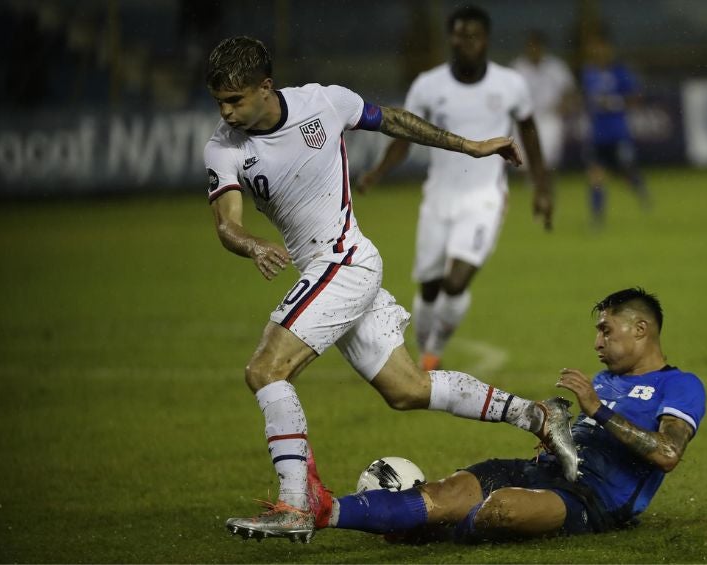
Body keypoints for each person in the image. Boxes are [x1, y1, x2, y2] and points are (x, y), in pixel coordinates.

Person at [202, 36, 578, 542]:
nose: (225, 112)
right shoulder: (223, 147)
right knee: (407, 390)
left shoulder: (323, 103)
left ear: (265, 87)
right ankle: (537, 414)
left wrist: (470, 146)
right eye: (219, 102)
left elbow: (394, 120)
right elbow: (227, 224)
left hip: (345, 260)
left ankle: (294, 503)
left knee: (265, 369)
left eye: (235, 100)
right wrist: (250, 245)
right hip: (328, 270)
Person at [310, 288, 705, 543]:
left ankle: (423, 530)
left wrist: (597, 410)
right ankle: (324, 511)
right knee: (444, 493)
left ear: (640, 328)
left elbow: (667, 453)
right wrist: (555, 434)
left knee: (503, 509)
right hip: (539, 470)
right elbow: (583, 436)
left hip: (591, 499)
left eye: (606, 330)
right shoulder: (602, 379)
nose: (597, 341)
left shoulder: (681, 386)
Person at [358, 6, 553, 372]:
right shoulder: (429, 86)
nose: (466, 42)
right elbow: (404, 133)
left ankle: (432, 354)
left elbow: (528, 129)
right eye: (460, 35)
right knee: (430, 287)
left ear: (486, 40)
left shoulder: (509, 84)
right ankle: (424, 348)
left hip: (485, 199)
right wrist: (378, 171)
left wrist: (542, 187)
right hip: (438, 198)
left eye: (474, 36)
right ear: (451, 38)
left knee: (456, 281)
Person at [580, 34, 650, 227]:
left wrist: (614, 102)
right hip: (597, 134)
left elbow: (636, 96)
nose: (599, 53)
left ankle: (640, 190)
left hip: (618, 132)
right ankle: (597, 218)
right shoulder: (588, 73)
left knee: (625, 172)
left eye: (603, 48)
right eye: (596, 49)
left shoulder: (620, 72)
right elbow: (587, 99)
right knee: (595, 176)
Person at [510, 29, 576, 171]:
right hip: (525, 118)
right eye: (531, 46)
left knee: (548, 161)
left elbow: (570, 92)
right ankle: (531, 189)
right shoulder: (517, 67)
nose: (534, 50)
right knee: (523, 162)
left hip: (549, 117)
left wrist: (564, 107)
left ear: (543, 48)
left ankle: (546, 189)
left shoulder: (556, 67)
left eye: (537, 46)